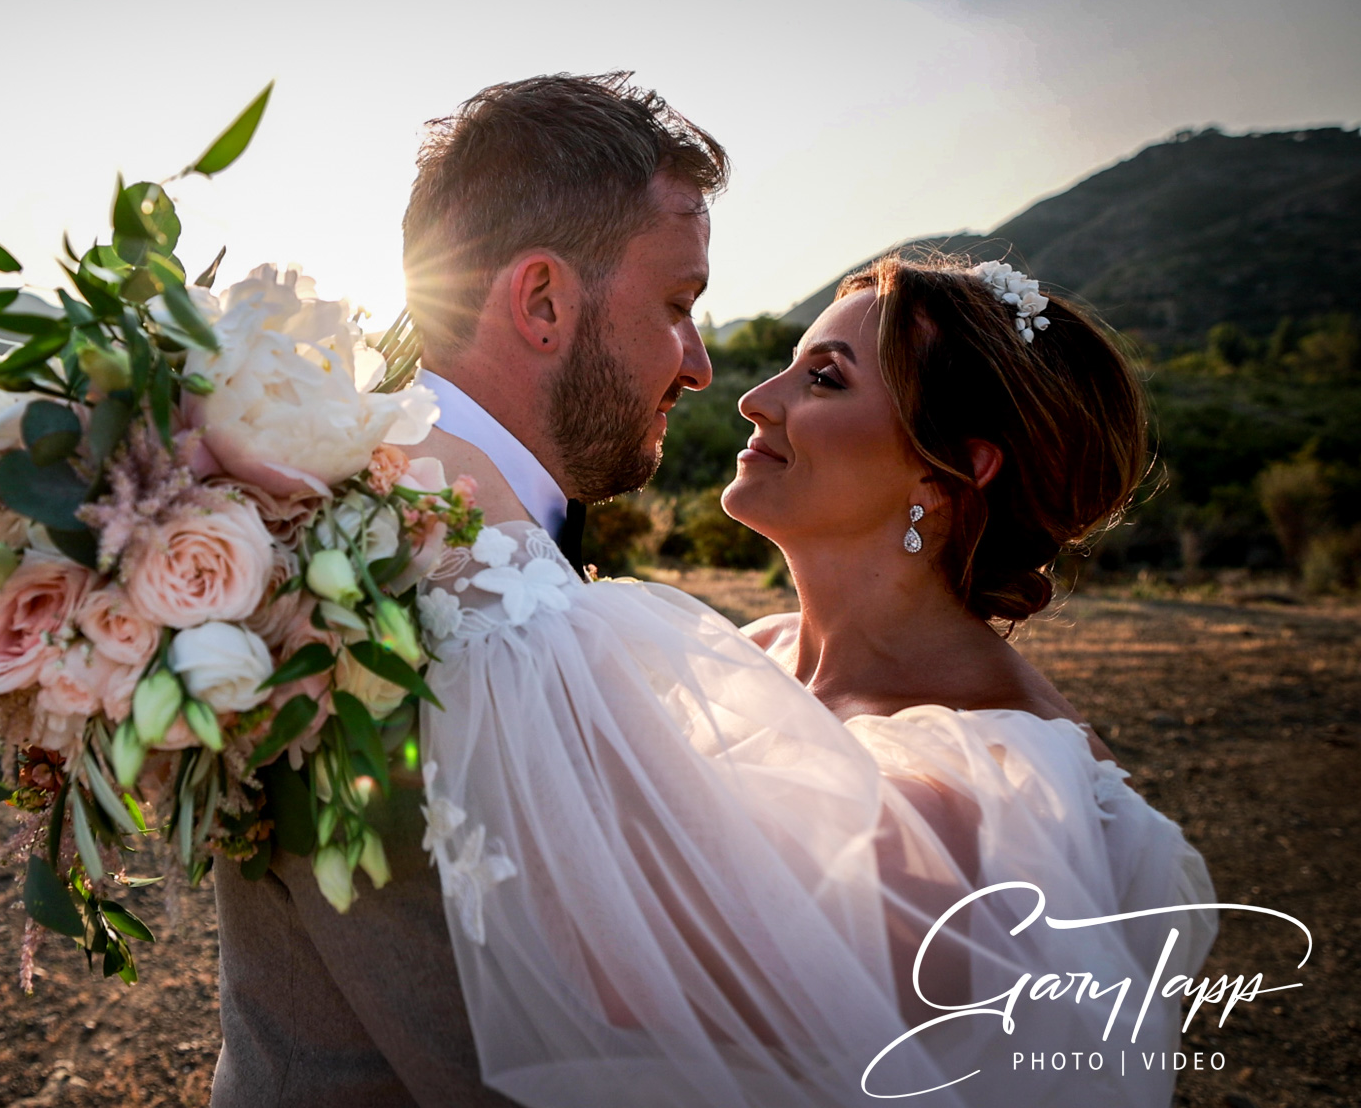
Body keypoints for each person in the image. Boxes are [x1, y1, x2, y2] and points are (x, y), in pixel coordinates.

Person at [419, 250, 1216, 1106]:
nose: (756, 399)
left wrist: (478, 523)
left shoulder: (993, 787)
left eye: (826, 380)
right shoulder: (752, 651)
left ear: (952, 471)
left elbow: (635, 976)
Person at [208, 71, 724, 1108]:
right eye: (677, 305)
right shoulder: (472, 598)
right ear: (541, 301)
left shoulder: (314, 510)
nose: (700, 364)